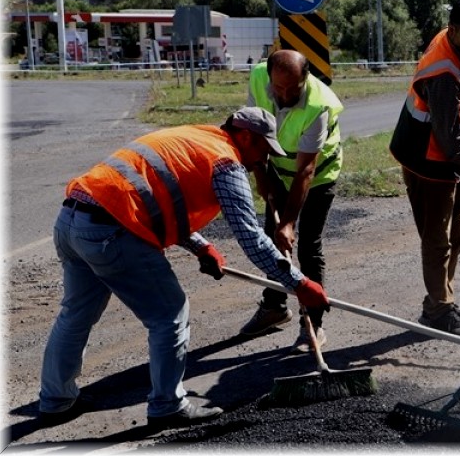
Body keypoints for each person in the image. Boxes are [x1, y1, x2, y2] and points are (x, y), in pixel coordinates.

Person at [39, 107, 331, 430]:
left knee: (75, 313)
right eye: (263, 149)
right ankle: (167, 405)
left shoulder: (199, 138)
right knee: (170, 314)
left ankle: (55, 400)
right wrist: (298, 283)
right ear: (246, 136)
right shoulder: (226, 162)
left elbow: (161, 198)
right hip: (113, 229)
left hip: (73, 219)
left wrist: (201, 246)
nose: (261, 161)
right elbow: (251, 238)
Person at [389, 0, 460, 339]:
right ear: (452, 30)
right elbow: (448, 138)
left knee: (459, 230)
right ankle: (438, 309)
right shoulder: (444, 74)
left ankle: (442, 299)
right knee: (437, 239)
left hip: (452, 158)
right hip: (428, 161)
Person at [239, 50, 344, 353]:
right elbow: (252, 130)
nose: (284, 95)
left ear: (306, 78)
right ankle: (274, 307)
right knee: (272, 240)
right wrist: (260, 172)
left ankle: (313, 322)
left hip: (318, 174)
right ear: (270, 76)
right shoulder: (259, 77)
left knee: (308, 245)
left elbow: (307, 170)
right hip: (277, 167)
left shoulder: (318, 104)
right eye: (279, 88)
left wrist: (289, 222)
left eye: (292, 89)